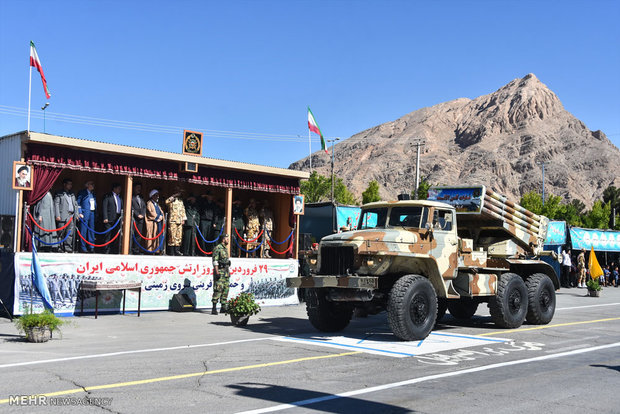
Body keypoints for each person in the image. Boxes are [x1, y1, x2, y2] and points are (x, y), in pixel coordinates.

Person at [54, 178, 80, 253]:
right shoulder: (59, 193)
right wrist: (57, 215)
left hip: (71, 216)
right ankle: (59, 247)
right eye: (69, 184)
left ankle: (68, 247)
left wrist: (77, 214)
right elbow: (56, 204)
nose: (70, 186)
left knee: (70, 233)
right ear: (64, 184)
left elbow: (75, 204)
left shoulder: (72, 194)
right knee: (61, 232)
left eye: (71, 184)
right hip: (62, 215)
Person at [211, 233, 231, 315]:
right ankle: (214, 308)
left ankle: (223, 307)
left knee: (226, 289)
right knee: (218, 289)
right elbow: (215, 261)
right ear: (223, 239)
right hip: (220, 271)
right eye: (227, 238)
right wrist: (217, 272)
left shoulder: (225, 248)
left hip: (225, 271)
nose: (228, 240)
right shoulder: (218, 248)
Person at [76, 180, 97, 253]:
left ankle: (91, 246)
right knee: (83, 231)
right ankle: (83, 247)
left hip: (92, 213)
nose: (93, 185)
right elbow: (78, 203)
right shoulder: (82, 193)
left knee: (91, 230)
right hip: (84, 214)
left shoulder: (93, 194)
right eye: (91, 184)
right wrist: (80, 212)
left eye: (93, 184)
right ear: (87, 185)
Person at [102, 183, 123, 254]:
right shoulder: (108, 196)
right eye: (118, 188)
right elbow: (104, 207)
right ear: (114, 189)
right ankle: (106, 250)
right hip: (109, 218)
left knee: (115, 235)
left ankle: (113, 249)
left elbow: (122, 208)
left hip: (117, 219)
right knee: (107, 235)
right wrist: (105, 217)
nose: (119, 190)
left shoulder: (120, 197)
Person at [165, 188, 186, 256]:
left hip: (179, 220)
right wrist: (173, 196)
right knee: (172, 236)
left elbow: (183, 210)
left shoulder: (180, 201)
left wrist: (183, 219)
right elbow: (166, 202)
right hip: (173, 220)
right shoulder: (171, 200)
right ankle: (171, 251)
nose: (179, 194)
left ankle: (177, 250)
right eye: (178, 192)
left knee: (179, 236)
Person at [131, 182, 146, 255]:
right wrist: (137, 215)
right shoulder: (131, 197)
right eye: (137, 188)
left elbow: (144, 207)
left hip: (141, 219)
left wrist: (143, 214)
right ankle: (130, 249)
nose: (139, 189)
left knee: (139, 235)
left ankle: (136, 250)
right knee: (132, 234)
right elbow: (131, 207)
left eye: (140, 188)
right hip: (134, 218)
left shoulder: (141, 197)